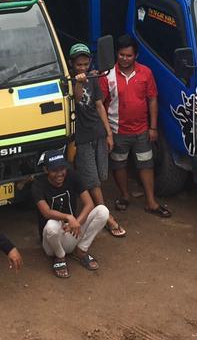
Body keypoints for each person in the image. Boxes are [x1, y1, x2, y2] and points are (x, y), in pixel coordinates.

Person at [100, 35, 169, 218]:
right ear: (117, 54)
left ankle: (151, 202)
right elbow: (99, 104)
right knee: (119, 164)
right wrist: (107, 133)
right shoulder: (107, 75)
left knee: (146, 164)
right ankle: (124, 196)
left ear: (136, 56)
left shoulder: (146, 73)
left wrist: (153, 127)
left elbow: (152, 99)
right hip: (117, 132)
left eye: (128, 55)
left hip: (142, 131)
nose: (124, 58)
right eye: (121, 55)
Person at [68, 43, 125, 237]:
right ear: (72, 65)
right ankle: (107, 217)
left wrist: (108, 133)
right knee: (92, 180)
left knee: (100, 176)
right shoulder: (68, 81)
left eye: (85, 64)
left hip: (98, 133)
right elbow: (75, 99)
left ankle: (98, 211)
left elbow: (100, 106)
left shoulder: (93, 78)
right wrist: (78, 82)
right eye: (79, 65)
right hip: (82, 138)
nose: (82, 68)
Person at [31, 153, 109, 278]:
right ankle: (59, 257)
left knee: (102, 211)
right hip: (51, 242)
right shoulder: (38, 184)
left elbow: (89, 203)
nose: (60, 173)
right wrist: (68, 217)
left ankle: (82, 250)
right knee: (51, 225)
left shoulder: (72, 175)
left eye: (62, 169)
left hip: (72, 231)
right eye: (54, 170)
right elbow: (46, 212)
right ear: (46, 170)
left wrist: (77, 222)